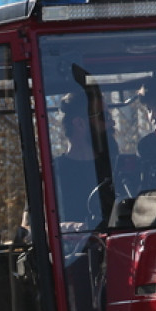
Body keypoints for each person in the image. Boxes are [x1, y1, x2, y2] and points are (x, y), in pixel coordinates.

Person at [52, 90, 111, 226]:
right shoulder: (53, 172)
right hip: (71, 246)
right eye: (104, 117)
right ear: (79, 124)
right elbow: (29, 228)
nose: (111, 123)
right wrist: (69, 227)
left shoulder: (116, 166)